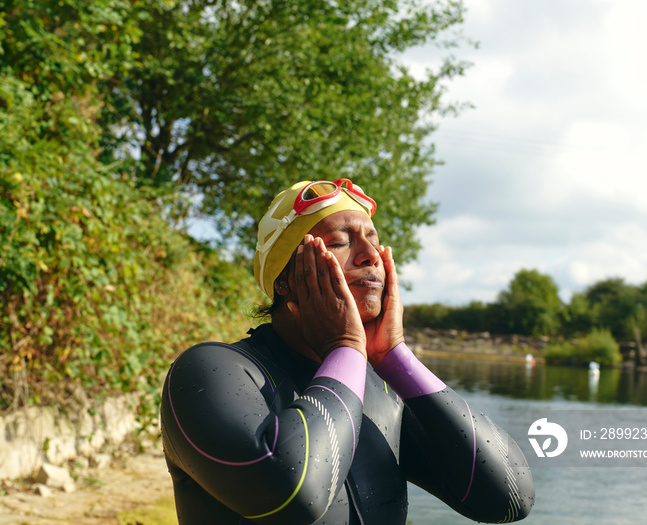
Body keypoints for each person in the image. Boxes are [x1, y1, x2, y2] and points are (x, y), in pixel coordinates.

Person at [160, 179, 535, 524]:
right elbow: (292, 493)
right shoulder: (210, 371)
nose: (371, 255)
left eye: (374, 240)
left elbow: (510, 498)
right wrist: (347, 349)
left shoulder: (383, 395)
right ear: (287, 280)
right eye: (341, 241)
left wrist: (395, 357)